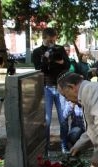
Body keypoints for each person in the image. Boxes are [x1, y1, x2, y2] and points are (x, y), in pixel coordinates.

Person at [32, 27, 70, 155]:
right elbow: (39, 69)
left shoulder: (59, 49)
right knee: (47, 121)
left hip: (60, 87)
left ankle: (64, 145)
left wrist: (60, 60)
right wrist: (47, 59)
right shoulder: (37, 52)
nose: (52, 43)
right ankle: (46, 148)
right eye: (50, 41)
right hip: (46, 87)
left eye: (54, 40)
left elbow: (67, 65)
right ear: (43, 38)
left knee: (63, 119)